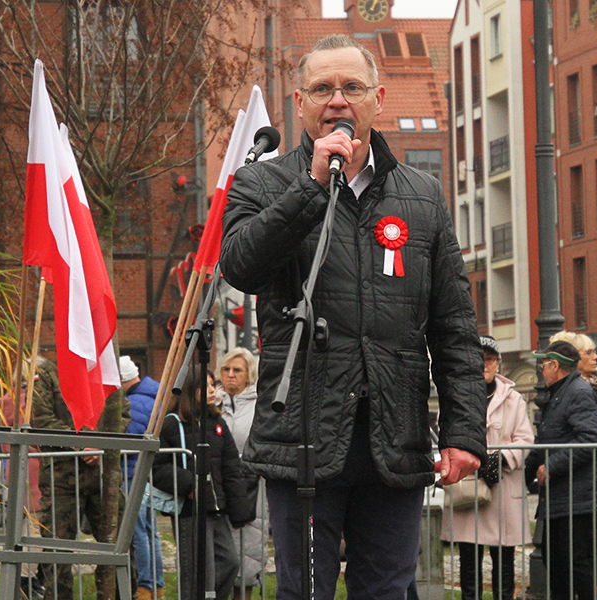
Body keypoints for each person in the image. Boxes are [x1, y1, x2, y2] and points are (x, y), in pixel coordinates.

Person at [219, 33, 489, 600]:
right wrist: (312, 186)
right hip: (303, 436)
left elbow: (455, 328)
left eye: (352, 87)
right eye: (322, 89)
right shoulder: (263, 182)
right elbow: (241, 266)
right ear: (300, 104)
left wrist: (464, 433)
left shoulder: (422, 196)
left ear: (378, 99)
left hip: (395, 437)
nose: (337, 100)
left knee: (389, 589)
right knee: (304, 591)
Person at [31, 356, 131, 600]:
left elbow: (121, 414)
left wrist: (100, 445)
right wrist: (82, 443)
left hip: (104, 477)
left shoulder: (104, 366)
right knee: (58, 553)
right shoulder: (48, 372)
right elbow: (40, 420)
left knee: (119, 548)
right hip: (61, 478)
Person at [441, 336, 533, 600]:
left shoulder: (514, 399)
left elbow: (525, 439)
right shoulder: (457, 396)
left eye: (489, 359)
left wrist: (501, 459)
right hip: (468, 487)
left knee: (504, 559)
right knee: (469, 559)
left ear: (498, 364)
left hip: (502, 487)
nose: (484, 364)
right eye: (479, 359)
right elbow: (445, 430)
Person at [524, 341, 597, 600]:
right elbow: (545, 442)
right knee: (556, 563)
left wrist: (551, 465)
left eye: (543, 364)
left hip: (577, 498)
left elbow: (590, 440)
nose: (541, 370)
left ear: (555, 365)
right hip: (563, 497)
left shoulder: (577, 391)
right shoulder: (559, 393)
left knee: (575, 565)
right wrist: (521, 475)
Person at [152, 370, 254, 600]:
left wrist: (239, 511)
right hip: (191, 512)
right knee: (198, 573)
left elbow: (231, 467)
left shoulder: (217, 422)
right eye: (204, 386)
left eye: (212, 385)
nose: (212, 390)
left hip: (217, 511)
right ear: (190, 391)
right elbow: (157, 468)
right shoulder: (171, 424)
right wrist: (190, 484)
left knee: (229, 562)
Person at [549, 330, 597, 583]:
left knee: (589, 552)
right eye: (588, 352)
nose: (596, 357)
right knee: (576, 554)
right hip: (581, 478)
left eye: (594, 351)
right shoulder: (573, 390)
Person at [215, 348, 265, 600]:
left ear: (249, 375)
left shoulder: (260, 405)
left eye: (237, 370)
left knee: (247, 553)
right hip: (218, 486)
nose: (231, 374)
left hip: (252, 488)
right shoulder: (213, 403)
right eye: (226, 369)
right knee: (220, 556)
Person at [118, 355, 165, 599]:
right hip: (144, 472)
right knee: (150, 530)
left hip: (131, 472)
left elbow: (127, 440)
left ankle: (146, 584)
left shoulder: (134, 403)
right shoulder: (152, 395)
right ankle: (156, 584)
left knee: (139, 532)